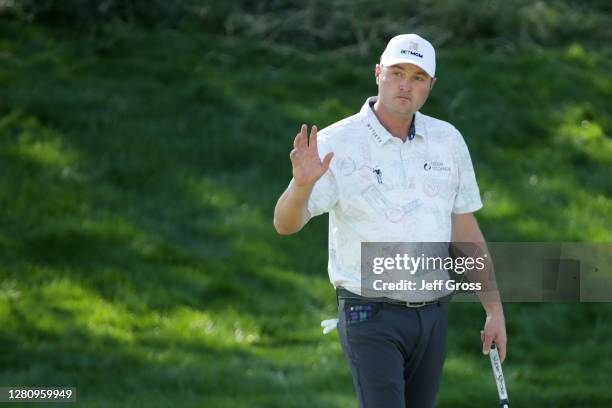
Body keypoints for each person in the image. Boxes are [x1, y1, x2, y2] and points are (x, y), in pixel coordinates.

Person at [273, 33, 507, 408]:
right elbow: (285, 223)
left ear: (431, 85)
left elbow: (465, 231)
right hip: (370, 313)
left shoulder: (448, 141)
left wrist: (493, 308)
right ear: (378, 73)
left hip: (433, 315)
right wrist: (301, 186)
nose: (405, 85)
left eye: (417, 77)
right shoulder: (337, 142)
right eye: (397, 72)